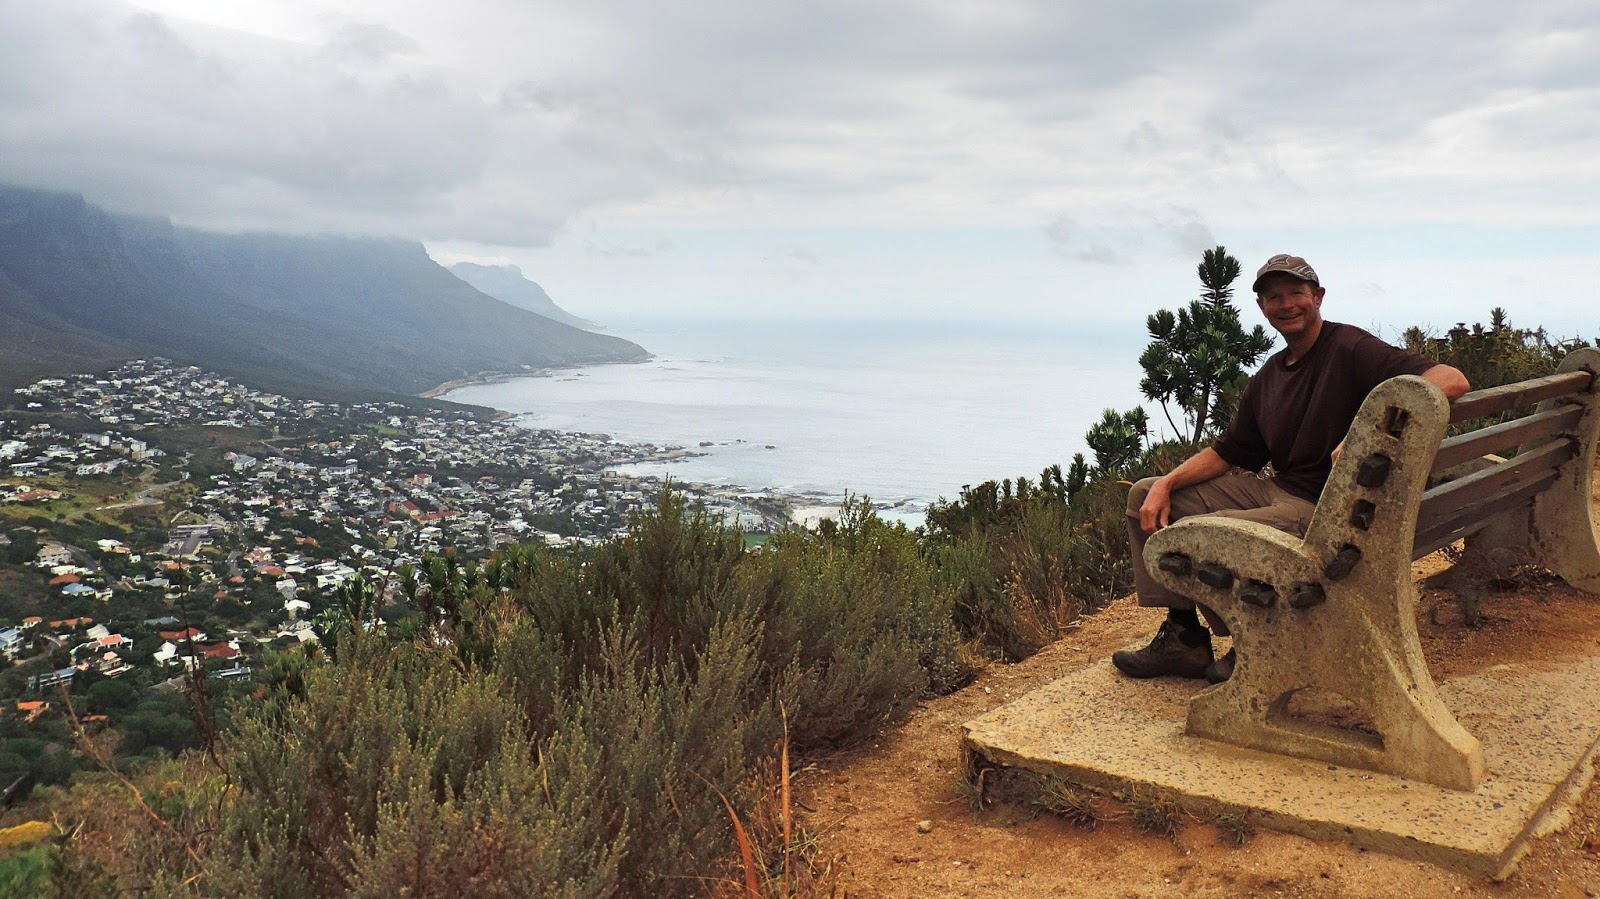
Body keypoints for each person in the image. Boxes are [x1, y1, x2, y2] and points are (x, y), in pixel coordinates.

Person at [1111, 254, 1471, 683]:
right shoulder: (1270, 375)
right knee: (1142, 495)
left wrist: (1368, 428)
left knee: (1217, 528)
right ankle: (1185, 642)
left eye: (1296, 293)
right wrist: (1165, 484)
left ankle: (1257, 643)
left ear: (1317, 297)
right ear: (1263, 309)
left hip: (1325, 508)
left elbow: (1452, 379)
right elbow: (1230, 452)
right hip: (1278, 491)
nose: (1286, 304)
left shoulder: (1350, 348)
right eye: (1273, 297)